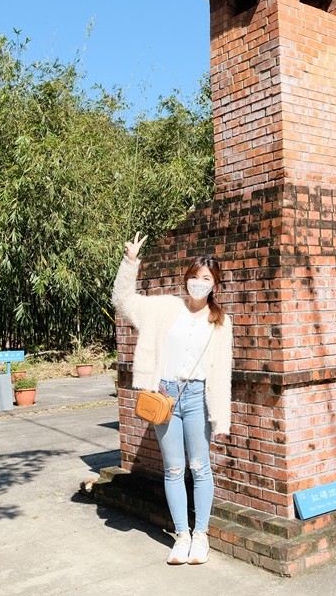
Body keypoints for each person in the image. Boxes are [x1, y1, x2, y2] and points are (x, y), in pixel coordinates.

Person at [111, 232, 234, 566]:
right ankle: (181, 535)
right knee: (174, 469)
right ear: (186, 280)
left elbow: (222, 374)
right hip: (165, 395)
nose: (197, 283)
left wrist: (222, 419)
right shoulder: (166, 308)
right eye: (193, 277)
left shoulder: (221, 322)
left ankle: (201, 536)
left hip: (197, 398)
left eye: (205, 279)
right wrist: (130, 261)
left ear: (215, 284)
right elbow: (122, 301)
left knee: (200, 467)